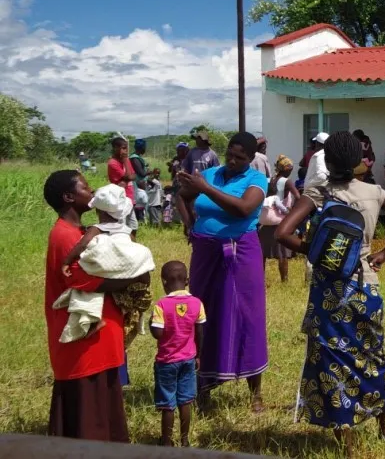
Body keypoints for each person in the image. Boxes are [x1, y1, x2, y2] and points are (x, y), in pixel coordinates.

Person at [275, 131, 385, 450]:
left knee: (332, 361)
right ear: (358, 162)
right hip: (365, 284)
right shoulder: (374, 192)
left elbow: (283, 234)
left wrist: (316, 250)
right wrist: (383, 254)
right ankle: (384, 425)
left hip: (329, 289)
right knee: (371, 354)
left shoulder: (317, 191)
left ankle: (346, 437)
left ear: (326, 162)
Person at [43, 170, 150, 442]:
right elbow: (84, 281)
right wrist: (134, 275)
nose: (92, 193)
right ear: (68, 197)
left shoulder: (82, 232)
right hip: (84, 341)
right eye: (86, 188)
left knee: (102, 404)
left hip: (99, 339)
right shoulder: (65, 236)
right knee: (88, 412)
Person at [173, 132, 269, 411]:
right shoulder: (212, 173)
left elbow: (243, 209)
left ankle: (256, 392)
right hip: (205, 253)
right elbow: (182, 195)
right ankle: (203, 387)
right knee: (203, 314)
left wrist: (206, 189)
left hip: (241, 254)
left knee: (247, 315)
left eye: (241, 157)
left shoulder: (256, 179)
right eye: (230, 153)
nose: (233, 160)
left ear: (251, 159)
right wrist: (189, 222)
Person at [57, 184, 154, 346]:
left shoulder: (96, 228)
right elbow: (133, 249)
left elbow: (82, 245)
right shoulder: (126, 230)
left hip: (106, 269)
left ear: (98, 211)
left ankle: (94, 320)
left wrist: (67, 261)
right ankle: (134, 310)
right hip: (127, 272)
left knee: (89, 292)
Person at [150, 261, 206, 447]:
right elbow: (199, 333)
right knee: (186, 401)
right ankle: (184, 440)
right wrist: (198, 355)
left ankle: (166, 442)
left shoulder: (161, 305)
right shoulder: (197, 304)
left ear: (164, 282)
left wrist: (152, 321)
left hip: (166, 361)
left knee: (168, 404)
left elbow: (157, 334)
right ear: (187, 281)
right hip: (188, 359)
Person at [259, 155, 300, 283]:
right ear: (286, 169)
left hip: (264, 219)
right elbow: (298, 197)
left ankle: (260, 279)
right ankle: (284, 281)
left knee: (262, 253)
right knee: (282, 253)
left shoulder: (268, 180)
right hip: (279, 220)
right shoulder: (286, 181)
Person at [107, 136, 138, 235]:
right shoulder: (113, 163)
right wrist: (125, 161)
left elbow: (133, 176)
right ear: (115, 148)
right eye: (123, 148)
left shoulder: (126, 160)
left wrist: (127, 177)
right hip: (120, 198)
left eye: (126, 148)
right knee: (122, 227)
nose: (125, 151)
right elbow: (129, 175)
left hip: (129, 196)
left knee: (133, 225)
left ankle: (133, 245)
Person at [131, 139, 150, 225]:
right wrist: (149, 172)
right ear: (141, 148)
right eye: (145, 147)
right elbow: (141, 173)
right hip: (137, 185)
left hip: (140, 185)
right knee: (139, 204)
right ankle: (139, 222)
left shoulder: (137, 157)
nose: (145, 149)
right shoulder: (134, 158)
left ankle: (142, 221)